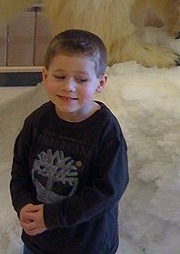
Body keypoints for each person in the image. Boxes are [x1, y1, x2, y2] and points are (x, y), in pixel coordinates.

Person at [10, 29, 129, 254]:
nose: (69, 87)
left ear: (100, 82)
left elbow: (107, 191)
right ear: (45, 76)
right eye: (60, 76)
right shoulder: (37, 121)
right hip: (39, 242)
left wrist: (53, 216)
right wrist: (23, 203)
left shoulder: (106, 131)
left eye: (81, 79)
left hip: (88, 245)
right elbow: (20, 169)